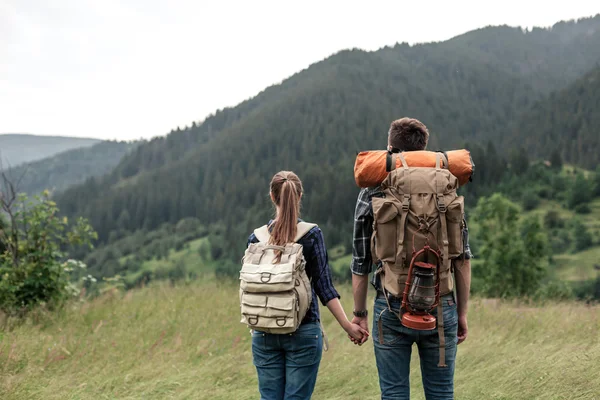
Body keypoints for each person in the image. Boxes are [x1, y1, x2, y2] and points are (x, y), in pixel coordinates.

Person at [349, 118, 472, 400]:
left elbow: (360, 261)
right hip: (442, 306)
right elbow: (462, 258)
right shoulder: (447, 184)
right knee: (441, 393)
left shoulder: (374, 186)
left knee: (394, 394)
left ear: (390, 149)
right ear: (424, 149)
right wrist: (461, 313)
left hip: (390, 305)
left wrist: (360, 315)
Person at [247, 170, 368, 400]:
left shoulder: (256, 238)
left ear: (272, 197)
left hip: (263, 332)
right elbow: (325, 288)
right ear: (299, 195)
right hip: (303, 331)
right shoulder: (311, 235)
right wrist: (348, 326)